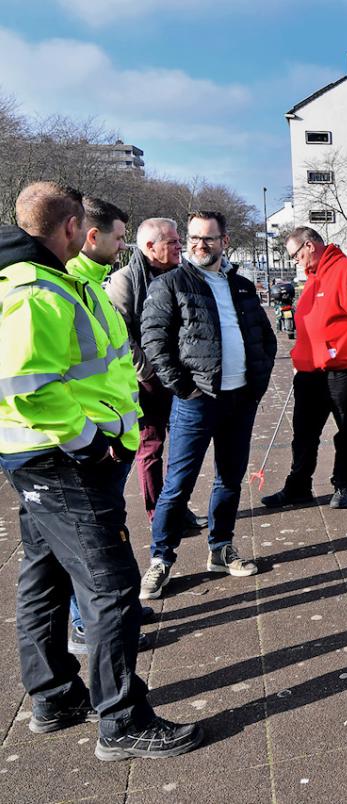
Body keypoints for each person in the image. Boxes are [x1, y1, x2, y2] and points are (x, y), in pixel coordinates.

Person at [0, 181, 201, 759]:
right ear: (70, 229)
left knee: (44, 575)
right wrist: (90, 442)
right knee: (111, 588)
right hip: (63, 461)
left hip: (42, 457)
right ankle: (122, 720)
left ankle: (55, 695)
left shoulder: (51, 280)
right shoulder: (37, 292)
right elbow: (25, 388)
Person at [138, 211, 277, 599]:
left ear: (224, 242)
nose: (200, 245)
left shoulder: (243, 287)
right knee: (177, 484)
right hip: (196, 402)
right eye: (194, 238)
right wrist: (185, 388)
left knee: (230, 479)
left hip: (240, 399)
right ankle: (161, 559)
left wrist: (258, 383)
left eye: (209, 239)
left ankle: (221, 548)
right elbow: (154, 343)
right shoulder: (171, 284)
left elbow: (265, 338)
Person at [63, 198, 152, 656]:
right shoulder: (69, 286)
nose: (124, 246)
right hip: (89, 443)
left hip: (111, 434)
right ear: (90, 236)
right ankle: (85, 626)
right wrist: (92, 443)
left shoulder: (95, 283)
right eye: (119, 237)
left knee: (102, 538)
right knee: (91, 551)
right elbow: (40, 382)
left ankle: (97, 617)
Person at [261, 227, 347, 510]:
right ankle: (298, 485)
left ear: (310, 246)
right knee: (303, 432)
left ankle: (344, 484)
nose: (295, 261)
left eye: (295, 254)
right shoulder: (311, 280)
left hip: (343, 369)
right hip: (310, 372)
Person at [107, 218, 207, 531]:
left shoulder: (182, 276)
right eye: (173, 242)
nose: (181, 246)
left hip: (183, 376)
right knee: (150, 447)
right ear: (150, 246)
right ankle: (158, 514)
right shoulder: (124, 281)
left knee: (182, 448)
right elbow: (123, 337)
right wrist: (148, 374)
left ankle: (178, 507)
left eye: (180, 241)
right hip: (148, 381)